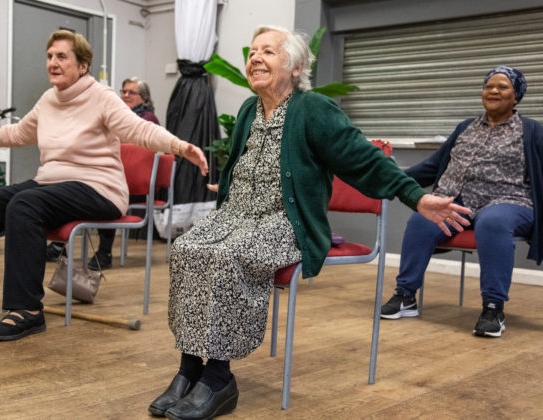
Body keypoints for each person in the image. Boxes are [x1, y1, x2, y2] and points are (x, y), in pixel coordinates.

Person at [147, 25, 470, 420]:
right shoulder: (250, 110)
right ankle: (189, 369)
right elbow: (239, 165)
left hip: (285, 222)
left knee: (226, 255)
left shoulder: (314, 109)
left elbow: (362, 159)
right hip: (236, 215)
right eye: (253, 52)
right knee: (187, 248)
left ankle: (218, 378)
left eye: (269, 52)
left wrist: (415, 196)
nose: (255, 58)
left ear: (296, 66)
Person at [0, 30, 208, 342]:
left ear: (83, 65)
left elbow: (138, 129)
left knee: (25, 204)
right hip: (52, 185)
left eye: (62, 56)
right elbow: (19, 133)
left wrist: (179, 146)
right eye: (50, 56)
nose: (53, 62)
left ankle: (27, 310)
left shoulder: (101, 97)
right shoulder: (49, 100)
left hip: (98, 187)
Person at [380, 66, 542, 338]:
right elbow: (433, 166)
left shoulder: (532, 131)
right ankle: (405, 295)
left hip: (509, 201)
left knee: (493, 222)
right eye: (489, 86)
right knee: (423, 218)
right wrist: (392, 180)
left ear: (516, 96)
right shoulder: (466, 127)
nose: (493, 91)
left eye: (502, 87)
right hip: (457, 201)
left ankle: (493, 307)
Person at [46, 76, 162, 270]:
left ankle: (103, 252)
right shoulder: (115, 114)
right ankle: (59, 245)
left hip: (132, 181)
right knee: (71, 187)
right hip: (111, 176)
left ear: (144, 97)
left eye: (131, 92)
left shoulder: (148, 119)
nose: (125, 95)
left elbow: (134, 150)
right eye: (123, 91)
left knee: (100, 192)